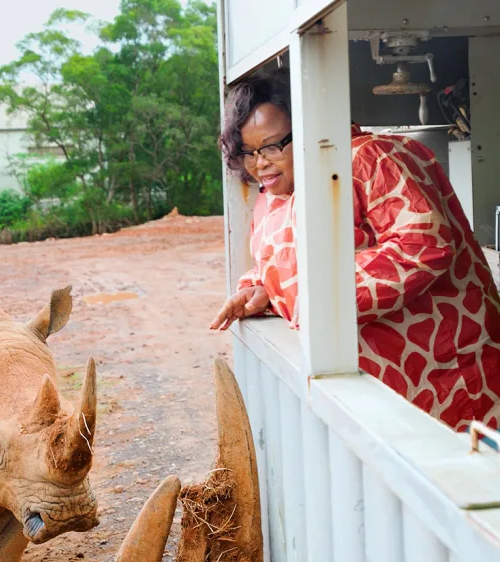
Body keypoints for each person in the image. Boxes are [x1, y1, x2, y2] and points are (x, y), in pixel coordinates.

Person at [211, 68, 500, 431]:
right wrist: (262, 289)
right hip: (383, 385)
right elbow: (288, 260)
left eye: (271, 146)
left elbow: (422, 244)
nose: (260, 163)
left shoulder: (370, 157)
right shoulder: (277, 192)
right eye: (248, 152)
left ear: (309, 126)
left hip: (448, 371)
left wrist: (322, 298)